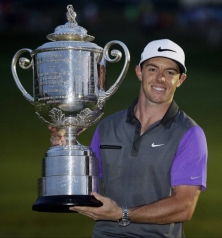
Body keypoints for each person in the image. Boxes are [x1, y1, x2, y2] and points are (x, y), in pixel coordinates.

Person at [50, 39, 208, 238]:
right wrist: (66, 151)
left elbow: (183, 207)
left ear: (181, 79)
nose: (160, 79)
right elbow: (89, 186)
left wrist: (122, 214)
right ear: (139, 72)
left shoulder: (190, 134)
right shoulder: (107, 126)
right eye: (152, 69)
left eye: (170, 72)